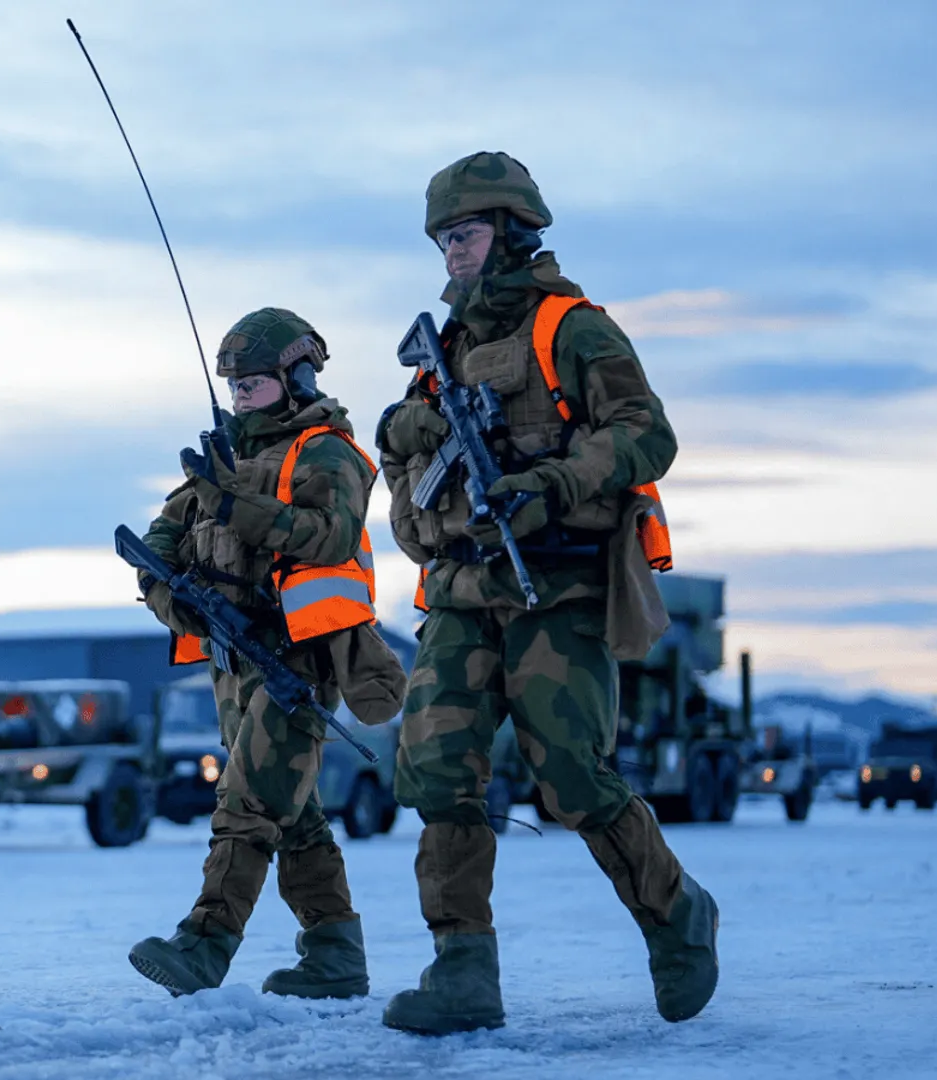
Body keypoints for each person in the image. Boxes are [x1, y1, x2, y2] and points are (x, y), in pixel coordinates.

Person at [375, 151, 718, 1034]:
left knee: (571, 775)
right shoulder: (441, 352)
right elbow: (408, 467)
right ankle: (463, 972)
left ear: (514, 231)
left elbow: (648, 434)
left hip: (557, 586)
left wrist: (557, 482)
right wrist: (408, 446)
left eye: (468, 233)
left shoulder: (572, 328)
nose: (454, 252)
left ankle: (677, 916)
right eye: (445, 238)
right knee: (436, 772)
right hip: (458, 591)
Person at [127, 307, 407, 999]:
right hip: (231, 659)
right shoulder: (224, 458)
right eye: (235, 387)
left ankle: (205, 944)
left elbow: (329, 535)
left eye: (253, 384)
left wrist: (233, 506)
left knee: (249, 803)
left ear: (298, 375)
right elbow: (161, 545)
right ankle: (335, 955)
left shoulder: (327, 453)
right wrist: (177, 600)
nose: (241, 397)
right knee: (294, 809)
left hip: (299, 660)